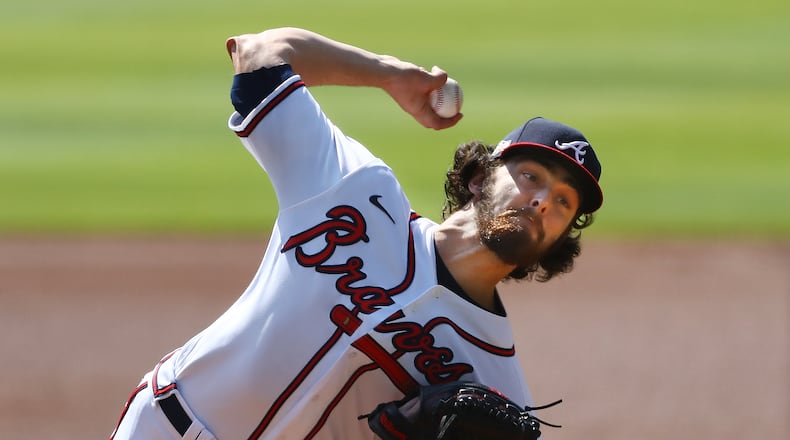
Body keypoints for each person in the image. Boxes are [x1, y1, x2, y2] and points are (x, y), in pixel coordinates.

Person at [110, 27, 603, 440]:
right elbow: (258, 56)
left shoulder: (493, 379)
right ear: (479, 177)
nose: (541, 201)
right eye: (532, 175)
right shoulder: (357, 191)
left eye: (564, 202)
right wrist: (389, 74)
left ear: (561, 239)